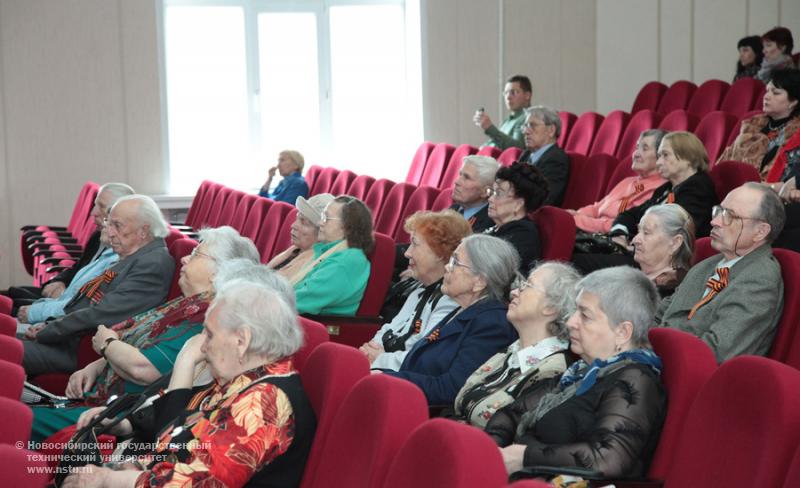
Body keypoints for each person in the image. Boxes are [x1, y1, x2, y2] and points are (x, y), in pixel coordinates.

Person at [62, 279, 316, 488]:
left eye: (209, 334)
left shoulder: (263, 401)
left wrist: (110, 479)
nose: (203, 346)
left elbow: (198, 483)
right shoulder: (242, 381)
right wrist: (136, 466)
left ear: (242, 340)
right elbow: (180, 439)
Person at [29, 226, 261, 442]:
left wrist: (106, 344)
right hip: (98, 399)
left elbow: (144, 368)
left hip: (119, 417)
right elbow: (135, 340)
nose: (184, 258)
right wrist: (97, 365)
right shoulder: (186, 303)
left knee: (13, 420)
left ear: (217, 272)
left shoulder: (205, 319)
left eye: (197, 254)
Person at [485, 266, 666, 479]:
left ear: (622, 332)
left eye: (585, 316)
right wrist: (491, 452)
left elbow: (607, 460)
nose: (571, 322)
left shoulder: (636, 380)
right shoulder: (579, 372)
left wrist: (524, 457)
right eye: (575, 311)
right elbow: (511, 413)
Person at [21, 195, 176, 376]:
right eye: (108, 223)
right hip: (68, 339)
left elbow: (101, 313)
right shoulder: (136, 255)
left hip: (80, 353)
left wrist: (47, 331)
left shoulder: (153, 264)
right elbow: (87, 304)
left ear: (143, 231)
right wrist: (48, 324)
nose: (109, 233)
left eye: (117, 225)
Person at [380, 234, 519, 406]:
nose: (447, 267)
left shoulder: (492, 323)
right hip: (404, 397)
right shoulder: (463, 309)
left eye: (455, 262)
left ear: (480, 282)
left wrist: (385, 377)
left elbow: (453, 389)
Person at [656, 182, 785, 363]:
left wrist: (650, 352)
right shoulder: (709, 264)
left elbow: (715, 353)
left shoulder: (760, 279)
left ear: (760, 231)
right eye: (718, 211)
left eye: (729, 216)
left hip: (685, 375)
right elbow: (661, 313)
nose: (714, 221)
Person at [453, 262, 580, 428]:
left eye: (526, 286)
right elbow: (460, 405)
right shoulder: (513, 350)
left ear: (550, 307)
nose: (513, 292)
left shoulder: (554, 372)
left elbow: (508, 433)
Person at [573, 132, 717, 274]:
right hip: (644, 254)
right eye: (659, 156)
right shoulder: (666, 188)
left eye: (665, 155)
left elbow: (675, 233)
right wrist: (619, 233)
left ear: (688, 157)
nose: (659, 162)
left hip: (665, 266)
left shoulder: (698, 188)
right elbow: (631, 214)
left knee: (577, 261)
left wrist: (635, 245)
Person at [361, 210, 470, 370]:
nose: (407, 253)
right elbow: (390, 328)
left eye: (415, 244)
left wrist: (381, 358)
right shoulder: (418, 291)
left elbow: (422, 355)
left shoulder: (450, 301)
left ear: (439, 253)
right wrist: (369, 350)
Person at [5, 182, 134, 315]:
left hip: (67, 309)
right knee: (11, 293)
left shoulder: (121, 256)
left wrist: (36, 314)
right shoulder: (97, 236)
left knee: (8, 306)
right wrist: (60, 281)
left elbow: (86, 305)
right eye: (95, 204)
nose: (92, 212)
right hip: (63, 299)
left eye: (101, 206)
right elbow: (77, 266)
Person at [569, 129, 667, 233]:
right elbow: (597, 208)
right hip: (588, 230)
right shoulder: (627, 181)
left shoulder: (660, 189)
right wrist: (575, 214)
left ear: (660, 156)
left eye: (645, 148)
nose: (636, 154)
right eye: (637, 147)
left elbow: (620, 224)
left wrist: (576, 220)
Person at [292, 195, 373, 315]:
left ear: (346, 227)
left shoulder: (345, 262)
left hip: (312, 327)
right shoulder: (330, 251)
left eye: (326, 218)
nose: (320, 223)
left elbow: (299, 301)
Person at [720, 68, 800, 178]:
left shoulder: (796, 133)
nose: (766, 96)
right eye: (767, 91)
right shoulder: (753, 124)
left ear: (794, 101)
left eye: (776, 93)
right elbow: (726, 160)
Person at [485, 162, 549, 273]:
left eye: (498, 193)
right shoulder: (497, 226)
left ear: (518, 204)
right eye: (492, 192)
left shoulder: (523, 236)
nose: (490, 199)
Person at [631, 204, 695, 297]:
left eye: (646, 233)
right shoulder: (632, 273)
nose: (635, 240)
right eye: (638, 231)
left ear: (675, 243)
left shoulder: (672, 292)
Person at [267, 193, 334, 280]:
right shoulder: (295, 250)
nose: (293, 225)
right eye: (297, 219)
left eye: (304, 223)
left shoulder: (313, 266)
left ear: (321, 233)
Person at [518, 105, 570, 206]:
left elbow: (544, 200)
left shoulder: (556, 159)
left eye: (532, 125)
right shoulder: (526, 155)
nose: (526, 131)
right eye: (525, 126)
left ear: (551, 130)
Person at [474, 75, 532, 150]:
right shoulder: (507, 121)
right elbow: (494, 142)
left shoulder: (528, 118)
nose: (508, 97)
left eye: (513, 92)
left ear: (527, 95)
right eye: (506, 93)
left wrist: (489, 128)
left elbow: (517, 149)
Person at [450, 155, 499, 233]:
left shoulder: (490, 223)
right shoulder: (453, 209)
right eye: (460, 174)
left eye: (467, 178)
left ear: (485, 192)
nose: (456, 182)